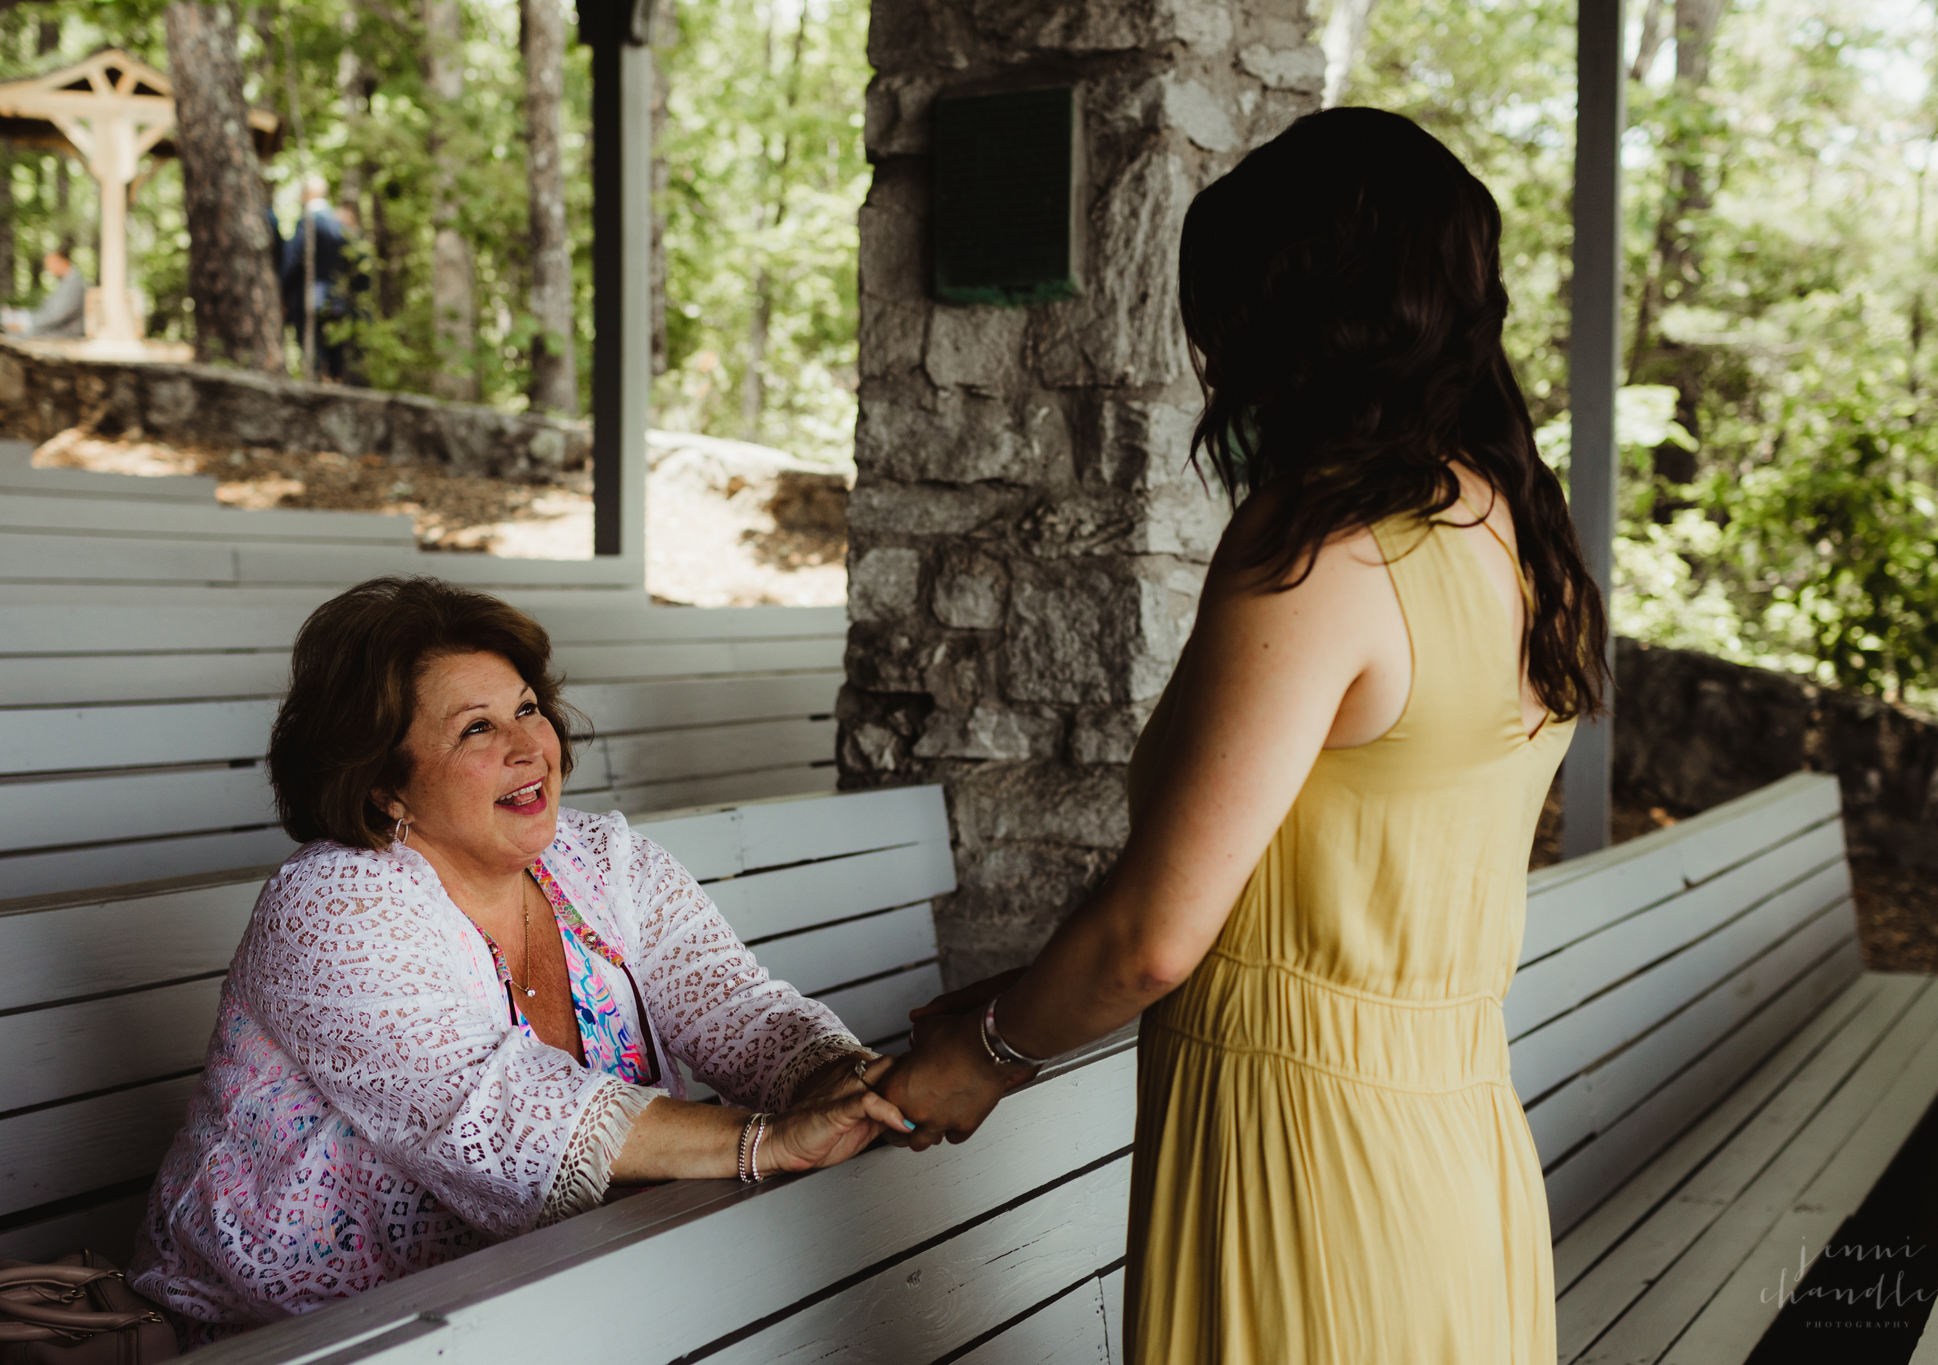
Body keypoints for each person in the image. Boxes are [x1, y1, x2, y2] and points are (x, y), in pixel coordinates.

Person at [878, 107, 1608, 1363]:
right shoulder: (1521, 538)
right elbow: (1312, 874)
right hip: (1451, 1148)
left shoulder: (1321, 546)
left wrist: (987, 1059)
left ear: (1302, 316)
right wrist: (1010, 994)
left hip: (1302, 1161)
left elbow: (1158, 935)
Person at [131, 576, 913, 1342]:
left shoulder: (604, 861)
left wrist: (850, 1082)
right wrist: (764, 1140)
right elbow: (494, 1108)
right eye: (476, 728)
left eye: (528, 709)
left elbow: (741, 1012)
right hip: (306, 1337)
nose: (529, 747)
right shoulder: (331, 906)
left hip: (558, 1292)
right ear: (383, 787)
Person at [280, 176, 355, 381]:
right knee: (334, 345)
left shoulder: (308, 221)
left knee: (311, 344)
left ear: (309, 194)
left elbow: (294, 259)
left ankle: (317, 384)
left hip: (310, 294)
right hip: (337, 295)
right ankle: (335, 380)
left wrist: (282, 291)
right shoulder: (339, 224)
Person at [6, 249, 86, 338]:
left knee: (14, 336)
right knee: (11, 333)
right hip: (54, 329)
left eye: (51, 263)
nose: (48, 268)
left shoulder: (74, 284)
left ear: (64, 261)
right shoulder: (65, 282)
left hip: (64, 333)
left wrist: (27, 324)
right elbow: (47, 312)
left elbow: (58, 316)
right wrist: (23, 315)